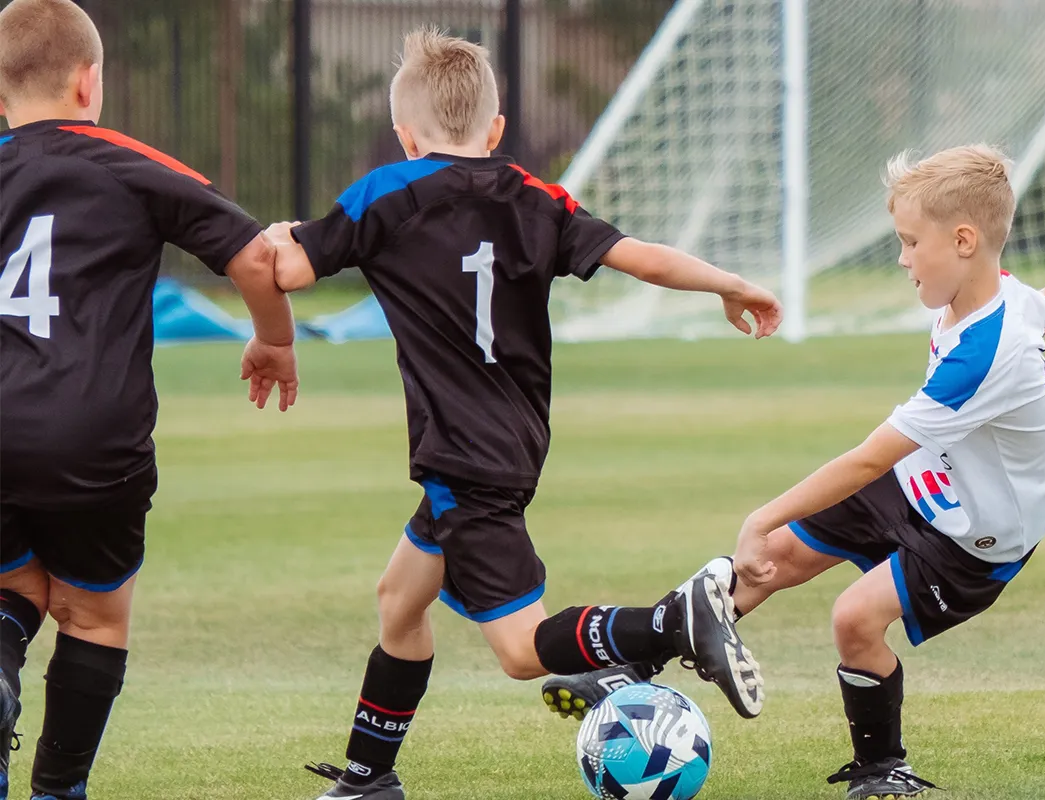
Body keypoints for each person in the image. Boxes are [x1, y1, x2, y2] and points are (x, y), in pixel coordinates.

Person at [266, 27, 780, 800]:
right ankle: (368, 780)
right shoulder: (535, 198)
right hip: (513, 440)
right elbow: (637, 253)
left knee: (517, 650)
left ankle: (675, 624)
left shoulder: (385, 192)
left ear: (405, 136)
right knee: (400, 599)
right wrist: (728, 283)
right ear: (497, 130)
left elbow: (290, 268)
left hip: (460, 456)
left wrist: (275, 237)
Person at [544, 144, 1045, 799]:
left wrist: (760, 515)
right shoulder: (998, 298)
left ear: (964, 241)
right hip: (926, 477)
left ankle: (885, 769)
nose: (903, 258)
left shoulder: (987, 356)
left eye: (911, 242)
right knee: (774, 558)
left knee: (854, 618)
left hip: (978, 536)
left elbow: (866, 459)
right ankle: (633, 665)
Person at [0, 2, 299, 798]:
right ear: (89, 82)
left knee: (13, 588)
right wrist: (274, 340)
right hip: (93, 438)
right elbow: (256, 256)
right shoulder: (129, 163)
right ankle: (57, 790)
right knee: (94, 616)